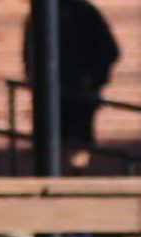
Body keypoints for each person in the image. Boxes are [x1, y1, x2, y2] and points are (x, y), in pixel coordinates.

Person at [24, 0, 120, 171]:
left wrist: (92, 79)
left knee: (77, 141)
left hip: (78, 94)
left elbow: (110, 50)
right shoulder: (37, 16)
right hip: (51, 94)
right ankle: (60, 175)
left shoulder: (84, 13)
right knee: (52, 142)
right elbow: (29, 54)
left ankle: (75, 175)